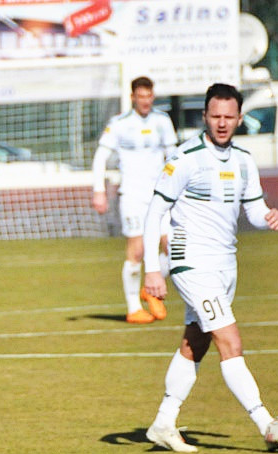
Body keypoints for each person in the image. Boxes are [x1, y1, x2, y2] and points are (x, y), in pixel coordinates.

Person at [142, 83, 278, 454]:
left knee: (195, 343)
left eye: (229, 117)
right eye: (216, 116)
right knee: (230, 340)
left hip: (225, 264)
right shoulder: (186, 158)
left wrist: (269, 216)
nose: (222, 123)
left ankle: (164, 422)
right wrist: (152, 269)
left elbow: (254, 211)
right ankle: (266, 423)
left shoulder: (244, 160)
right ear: (205, 117)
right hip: (191, 263)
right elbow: (154, 213)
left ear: (240, 118)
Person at [92, 76, 178, 324]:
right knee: (137, 251)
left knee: (174, 246)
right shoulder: (119, 124)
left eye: (149, 96)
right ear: (133, 97)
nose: (145, 101)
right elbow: (100, 157)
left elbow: (172, 157)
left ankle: (149, 289)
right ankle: (133, 308)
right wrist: (99, 190)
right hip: (132, 195)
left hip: (159, 195)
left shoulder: (162, 121)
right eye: (140, 97)